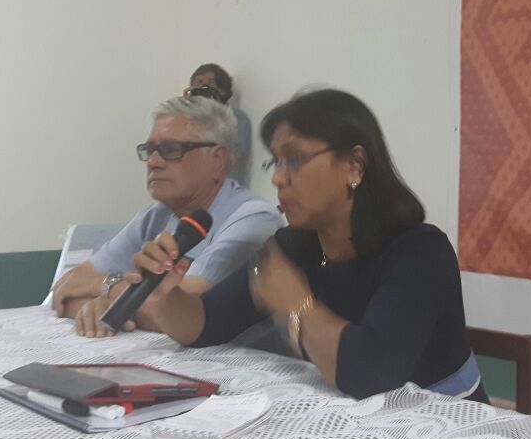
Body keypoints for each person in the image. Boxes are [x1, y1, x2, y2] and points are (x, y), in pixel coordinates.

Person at [118, 88, 489, 402]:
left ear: (355, 165)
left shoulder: (420, 252)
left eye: (294, 160)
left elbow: (370, 373)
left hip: (441, 427)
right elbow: (204, 326)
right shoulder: (292, 247)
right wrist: (167, 295)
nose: (278, 179)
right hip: (350, 420)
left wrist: (296, 304)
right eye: (275, 163)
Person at [49, 96, 282, 336]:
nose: (153, 162)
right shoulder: (155, 215)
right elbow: (67, 288)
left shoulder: (254, 218)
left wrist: (108, 293)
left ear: (217, 159)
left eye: (171, 150)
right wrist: (103, 302)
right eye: (149, 150)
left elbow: (190, 311)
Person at [185, 63, 252, 186]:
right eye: (199, 82)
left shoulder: (237, 118)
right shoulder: (186, 119)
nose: (204, 86)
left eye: (211, 82)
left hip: (226, 189)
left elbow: (232, 158)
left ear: (222, 89)